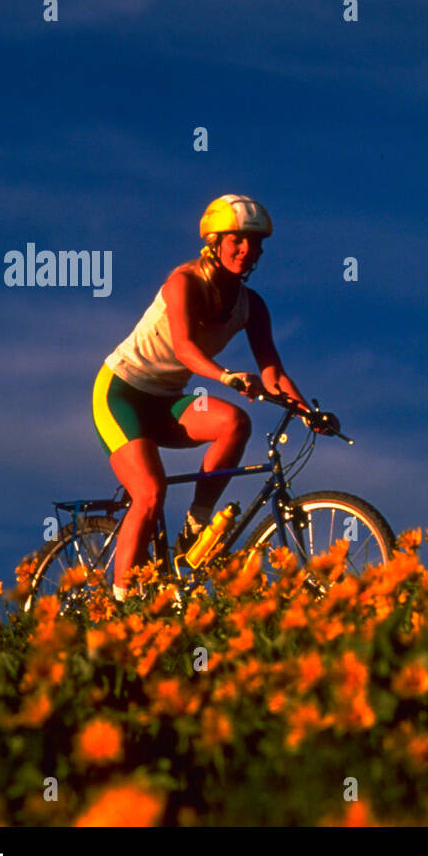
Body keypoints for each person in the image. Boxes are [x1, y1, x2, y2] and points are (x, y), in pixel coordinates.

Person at [91, 194, 318, 602]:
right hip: (121, 391)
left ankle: (195, 527)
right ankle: (118, 609)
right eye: (237, 241)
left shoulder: (252, 306)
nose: (248, 251)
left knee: (235, 424)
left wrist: (308, 413)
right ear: (213, 242)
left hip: (165, 401)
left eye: (255, 244)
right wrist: (226, 376)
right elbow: (184, 349)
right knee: (150, 491)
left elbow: (274, 372)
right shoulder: (184, 282)